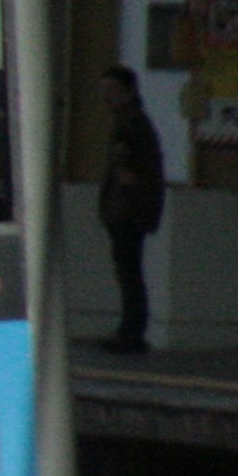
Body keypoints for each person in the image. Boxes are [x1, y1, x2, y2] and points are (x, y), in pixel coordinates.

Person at [98, 66, 165, 354]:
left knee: (128, 271)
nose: (106, 97)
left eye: (112, 90)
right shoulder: (134, 121)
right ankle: (130, 329)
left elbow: (126, 163)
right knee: (129, 270)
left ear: (129, 90)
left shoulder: (130, 123)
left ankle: (131, 331)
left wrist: (125, 178)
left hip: (127, 210)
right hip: (130, 209)